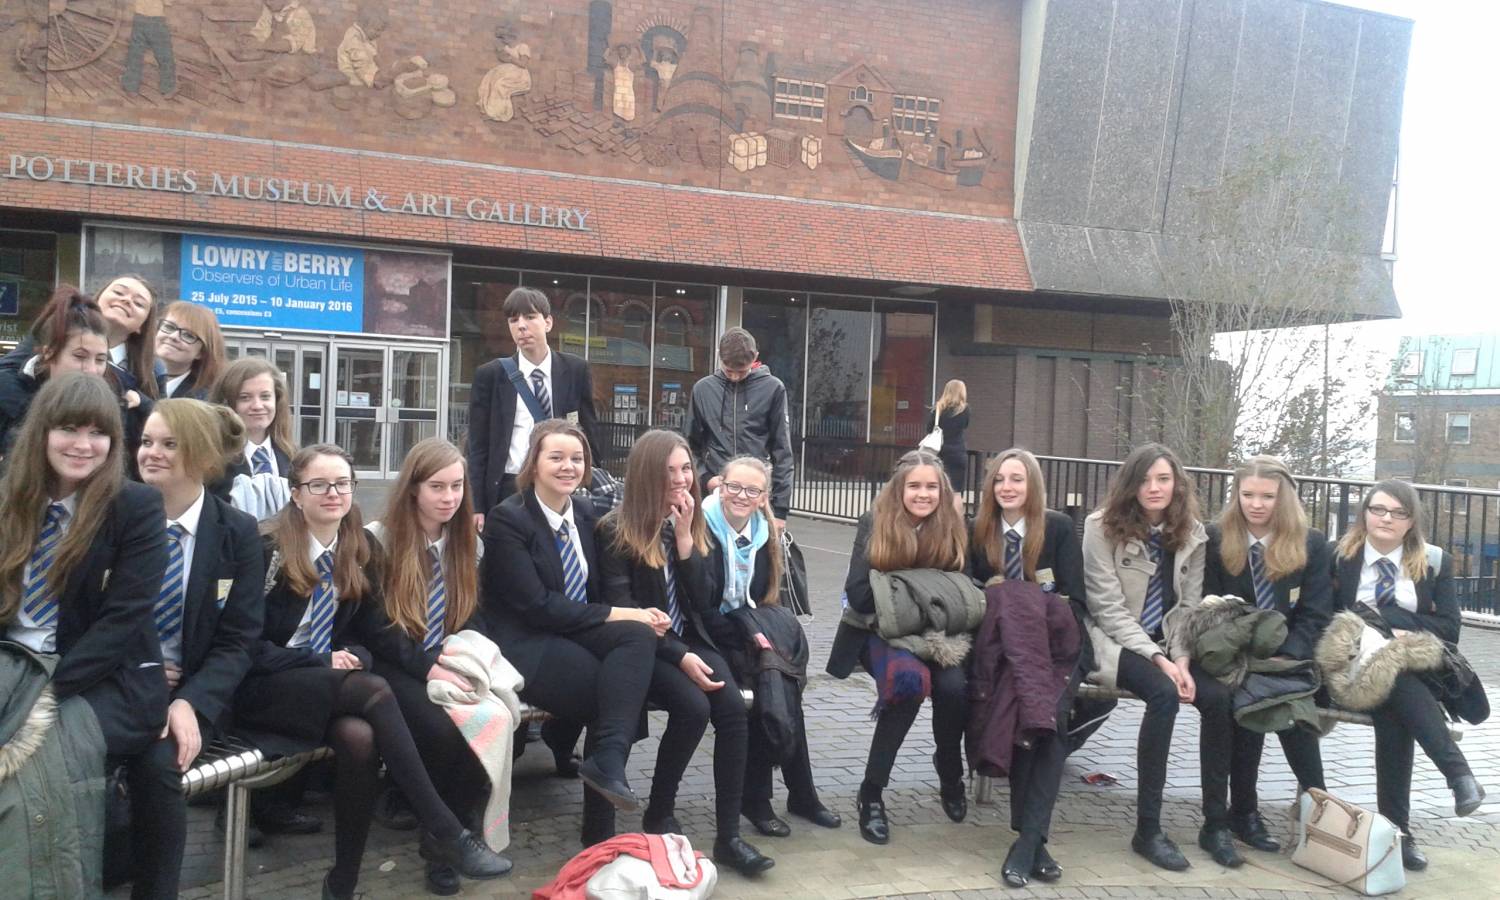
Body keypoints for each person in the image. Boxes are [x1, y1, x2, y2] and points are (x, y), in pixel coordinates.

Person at [232, 444, 511, 900]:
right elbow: (241, 646)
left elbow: (361, 629)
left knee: (360, 739)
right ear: (295, 493)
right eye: (319, 485)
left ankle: (341, 883)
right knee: (376, 689)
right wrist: (323, 660)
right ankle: (445, 830)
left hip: (320, 687)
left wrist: (349, 653)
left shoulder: (353, 548)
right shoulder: (267, 549)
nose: (333, 493)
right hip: (265, 685)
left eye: (342, 483)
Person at [0, 374, 170, 891]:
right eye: (69, 429)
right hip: (11, 662)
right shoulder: (8, 498)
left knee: (30, 774)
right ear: (42, 432)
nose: (83, 444)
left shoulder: (135, 507)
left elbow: (124, 620)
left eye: (98, 433)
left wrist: (41, 695)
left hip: (99, 677)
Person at [596, 429, 774, 876]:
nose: (681, 479)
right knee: (693, 708)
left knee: (732, 708)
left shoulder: (688, 521)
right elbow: (626, 610)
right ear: (646, 474)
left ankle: (729, 837)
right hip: (644, 647)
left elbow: (705, 600)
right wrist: (678, 656)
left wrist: (685, 541)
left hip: (691, 638)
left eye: (685, 469)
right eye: (669, 470)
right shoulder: (616, 530)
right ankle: (660, 810)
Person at [481, 419, 660, 844]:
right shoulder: (509, 519)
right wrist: (620, 613)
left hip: (574, 628)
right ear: (534, 463)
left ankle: (606, 760)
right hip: (527, 639)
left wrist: (636, 616)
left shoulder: (585, 512)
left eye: (577, 458)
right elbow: (536, 606)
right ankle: (598, 829)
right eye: (556, 457)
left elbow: (600, 583)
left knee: (638, 637)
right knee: (609, 690)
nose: (568, 466)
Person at [1080, 443, 1238, 871]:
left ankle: (1216, 824)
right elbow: (1107, 609)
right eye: (1145, 480)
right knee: (1163, 695)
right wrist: (1160, 660)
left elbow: (1189, 606)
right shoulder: (1100, 527)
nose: (1154, 488)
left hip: (1172, 640)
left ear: (1176, 484)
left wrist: (1182, 658)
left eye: (1163, 479)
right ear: (1130, 485)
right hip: (1117, 641)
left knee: (1218, 697)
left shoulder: (1193, 532)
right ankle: (1148, 829)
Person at [130, 398, 264, 898]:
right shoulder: (115, 516)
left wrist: (192, 700)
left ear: (204, 456)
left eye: (170, 444)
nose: (152, 453)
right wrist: (141, 668)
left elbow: (239, 639)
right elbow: (99, 618)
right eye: (146, 441)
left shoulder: (238, 532)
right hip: (125, 682)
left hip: (195, 691)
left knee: (159, 764)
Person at [1331, 480, 1485, 871]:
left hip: (1411, 670)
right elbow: (1324, 617)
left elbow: (1449, 629)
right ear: (1365, 513)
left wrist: (1386, 619)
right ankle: (1456, 778)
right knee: (1396, 688)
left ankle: (1398, 833)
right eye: (1379, 509)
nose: (1387, 518)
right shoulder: (1339, 557)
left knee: (1395, 686)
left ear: (1411, 521)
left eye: (1399, 513)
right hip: (1349, 666)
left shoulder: (1433, 562)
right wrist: (1385, 629)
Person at [826, 448, 973, 846]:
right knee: (908, 683)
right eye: (914, 486)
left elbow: (962, 592)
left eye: (931, 487)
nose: (923, 494)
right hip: (878, 631)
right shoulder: (875, 522)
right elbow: (860, 594)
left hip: (937, 635)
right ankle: (871, 793)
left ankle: (949, 769)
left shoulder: (955, 526)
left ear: (942, 491)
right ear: (899, 489)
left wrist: (897, 589)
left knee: (953, 688)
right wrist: (927, 593)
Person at [364, 437, 490, 896]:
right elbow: (377, 627)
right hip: (394, 660)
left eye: (457, 486)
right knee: (441, 730)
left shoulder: (467, 542)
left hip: (446, 654)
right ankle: (441, 842)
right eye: (437, 487)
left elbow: (471, 614)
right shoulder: (380, 540)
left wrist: (468, 660)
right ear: (413, 488)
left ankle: (460, 824)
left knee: (488, 720)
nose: (449, 497)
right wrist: (428, 668)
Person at [700, 455, 840, 838]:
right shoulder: (700, 527)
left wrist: (759, 638)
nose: (741, 496)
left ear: (764, 496)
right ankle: (756, 799)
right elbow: (698, 603)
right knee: (765, 686)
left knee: (783, 685)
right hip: (711, 633)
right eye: (734, 486)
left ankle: (802, 794)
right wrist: (748, 637)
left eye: (753, 490)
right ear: (719, 486)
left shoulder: (764, 533)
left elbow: (765, 596)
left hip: (750, 629)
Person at [969, 448, 1086, 887]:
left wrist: (1028, 603)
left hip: (1056, 649)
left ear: (1032, 484)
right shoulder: (979, 530)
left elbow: (1076, 597)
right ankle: (1033, 842)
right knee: (1023, 711)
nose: (1007, 487)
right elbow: (971, 592)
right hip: (1002, 651)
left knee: (1049, 718)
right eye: (1000, 479)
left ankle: (1027, 841)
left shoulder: (1057, 528)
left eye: (1016, 479)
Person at [1203, 455, 1330, 855]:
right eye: (1248, 495)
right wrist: (1247, 658)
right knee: (1246, 702)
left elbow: (1315, 613)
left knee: (1293, 709)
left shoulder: (1311, 543)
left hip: (1288, 656)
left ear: (1284, 497)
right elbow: (1210, 608)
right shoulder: (1216, 539)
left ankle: (1321, 814)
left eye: (1267, 496)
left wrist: (1287, 656)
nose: (1256, 504)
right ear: (1236, 495)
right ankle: (1244, 813)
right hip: (1235, 654)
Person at [467, 287, 599, 529]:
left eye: (530, 317)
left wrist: (592, 485)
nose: (521, 326)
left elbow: (589, 433)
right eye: (513, 320)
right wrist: (477, 505)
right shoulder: (491, 375)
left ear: (548, 322)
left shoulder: (575, 370)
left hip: (559, 485)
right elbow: (477, 445)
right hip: (509, 486)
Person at [687, 327, 795, 527]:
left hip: (756, 495)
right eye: (729, 371)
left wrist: (780, 511)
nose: (735, 377)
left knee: (757, 547)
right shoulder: (703, 389)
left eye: (742, 371)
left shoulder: (773, 388)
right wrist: (706, 479)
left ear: (755, 358)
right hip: (715, 494)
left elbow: (782, 451)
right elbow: (690, 445)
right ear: (719, 357)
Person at [0, 287, 111, 457]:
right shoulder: (8, 397)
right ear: (49, 353)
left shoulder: (113, 402)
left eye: (100, 360)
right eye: (80, 356)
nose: (92, 370)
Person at [211, 357, 296, 481]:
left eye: (265, 396)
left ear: (277, 400)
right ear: (225, 403)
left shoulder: (294, 458)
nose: (257, 406)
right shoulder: (210, 461)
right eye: (245, 397)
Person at [94, 274, 163, 402]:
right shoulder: (64, 342)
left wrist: (142, 402)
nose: (126, 300)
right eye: (118, 292)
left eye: (138, 303)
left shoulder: (154, 371)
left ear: (143, 325)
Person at [155, 301, 227, 399]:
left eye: (188, 335)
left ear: (201, 352)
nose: (173, 336)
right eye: (169, 327)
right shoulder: (134, 376)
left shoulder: (208, 399)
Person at [927, 379, 969, 489]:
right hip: (957, 452)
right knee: (956, 491)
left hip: (939, 452)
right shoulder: (964, 410)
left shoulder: (938, 409)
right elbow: (965, 425)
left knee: (939, 487)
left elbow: (929, 429)